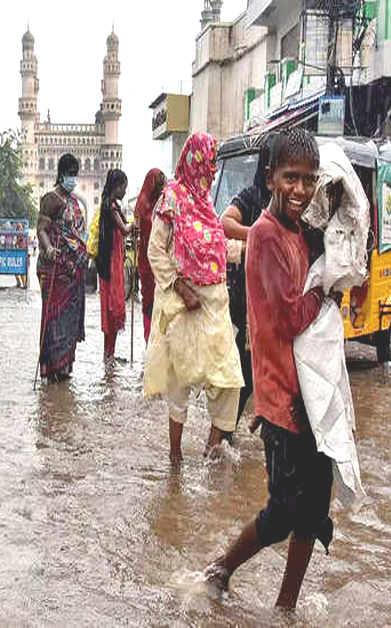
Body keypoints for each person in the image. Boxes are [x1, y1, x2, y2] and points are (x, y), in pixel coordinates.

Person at [204, 129, 337, 610]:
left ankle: (285, 608)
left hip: (311, 396)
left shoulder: (301, 233)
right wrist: (326, 292)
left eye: (307, 180)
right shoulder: (264, 235)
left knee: (314, 512)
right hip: (285, 402)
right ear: (270, 178)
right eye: (290, 179)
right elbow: (286, 319)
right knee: (282, 514)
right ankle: (219, 570)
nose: (299, 189)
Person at [142, 132, 244, 463]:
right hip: (184, 302)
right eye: (211, 162)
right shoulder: (172, 197)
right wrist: (181, 288)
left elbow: (214, 251)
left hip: (214, 305)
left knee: (228, 378)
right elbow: (155, 250)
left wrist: (249, 249)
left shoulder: (206, 206)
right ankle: (175, 458)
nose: (214, 170)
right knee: (180, 381)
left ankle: (212, 451)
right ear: (195, 160)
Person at [221, 134, 276, 433]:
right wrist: (259, 234)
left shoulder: (294, 202)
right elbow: (225, 223)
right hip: (249, 302)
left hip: (279, 304)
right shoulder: (252, 197)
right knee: (244, 373)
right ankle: (223, 436)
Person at [36, 154, 89, 382]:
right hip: (55, 270)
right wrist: (48, 249)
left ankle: (65, 367)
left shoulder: (76, 202)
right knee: (53, 319)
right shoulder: (51, 199)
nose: (73, 179)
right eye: (70, 174)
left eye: (75, 174)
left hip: (73, 273)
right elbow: (41, 230)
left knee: (69, 320)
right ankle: (51, 368)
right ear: (61, 174)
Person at [96, 169, 132, 362]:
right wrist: (135, 225)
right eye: (124, 188)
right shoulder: (111, 207)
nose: (125, 192)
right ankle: (108, 355)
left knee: (111, 310)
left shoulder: (107, 205)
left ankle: (109, 354)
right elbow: (125, 229)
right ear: (116, 187)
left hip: (110, 264)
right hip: (111, 265)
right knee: (113, 309)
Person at [134, 168, 167, 343]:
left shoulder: (160, 203)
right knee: (149, 300)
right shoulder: (143, 204)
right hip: (147, 261)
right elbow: (141, 227)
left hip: (160, 260)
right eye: (160, 181)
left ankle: (158, 340)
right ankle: (150, 339)